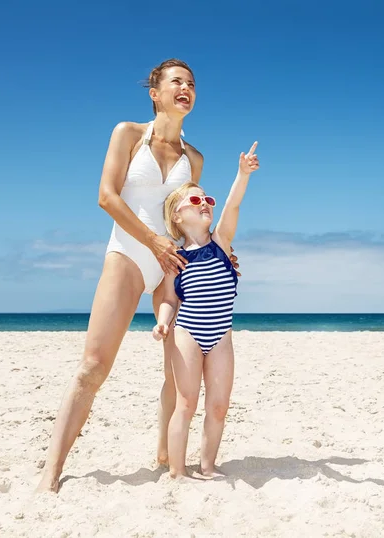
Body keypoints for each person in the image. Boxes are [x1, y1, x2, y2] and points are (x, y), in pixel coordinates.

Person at [36, 59, 237, 493]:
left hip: (172, 266)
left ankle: (166, 455)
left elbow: (191, 215)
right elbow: (106, 197)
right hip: (129, 254)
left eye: (192, 83)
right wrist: (152, 240)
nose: (186, 88)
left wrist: (218, 249)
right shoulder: (128, 133)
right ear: (155, 92)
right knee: (92, 367)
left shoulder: (195, 157)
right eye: (176, 82)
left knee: (175, 376)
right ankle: (51, 470)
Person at [151, 142, 259, 478]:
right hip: (188, 333)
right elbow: (170, 298)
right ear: (177, 217)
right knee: (186, 404)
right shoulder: (177, 259)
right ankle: (178, 471)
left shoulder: (222, 244)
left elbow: (234, 204)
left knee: (218, 406)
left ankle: (208, 466)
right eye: (196, 201)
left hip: (221, 336)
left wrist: (243, 174)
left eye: (207, 199)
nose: (205, 204)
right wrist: (163, 323)